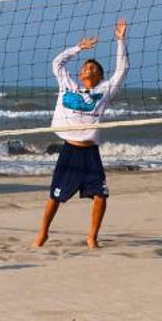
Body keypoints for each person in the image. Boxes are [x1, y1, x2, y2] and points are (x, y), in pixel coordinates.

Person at [35, 19, 128, 250]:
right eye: (86, 67)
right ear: (80, 72)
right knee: (55, 197)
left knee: (101, 196)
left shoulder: (103, 92)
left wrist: (121, 40)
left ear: (99, 77)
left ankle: (92, 237)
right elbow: (57, 63)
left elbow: (122, 69)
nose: (89, 69)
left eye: (94, 69)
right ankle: (43, 233)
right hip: (69, 151)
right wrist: (79, 49)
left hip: (90, 154)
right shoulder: (68, 85)